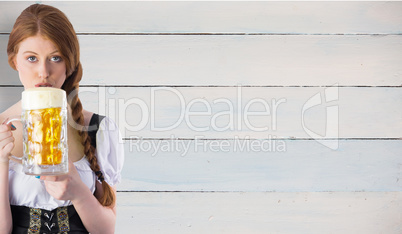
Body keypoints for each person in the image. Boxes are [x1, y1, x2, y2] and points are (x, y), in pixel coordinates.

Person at [0, 4, 124, 233]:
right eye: (31, 58)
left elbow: (106, 229)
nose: (44, 72)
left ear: (70, 63)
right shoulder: (1, 128)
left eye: (55, 58)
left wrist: (78, 191)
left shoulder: (97, 128)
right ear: (14, 60)